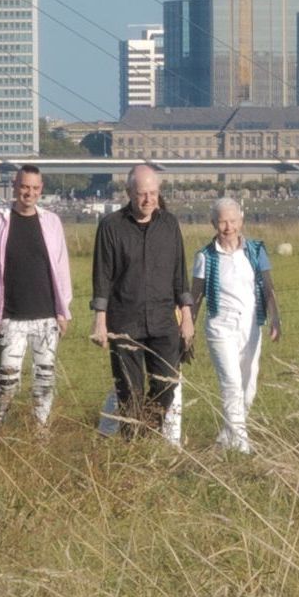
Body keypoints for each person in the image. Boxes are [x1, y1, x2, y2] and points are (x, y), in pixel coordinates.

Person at [89, 163, 192, 445]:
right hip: (125, 322)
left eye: (153, 193)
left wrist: (187, 314)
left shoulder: (169, 224)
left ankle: (145, 435)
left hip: (163, 322)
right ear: (129, 193)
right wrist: (100, 320)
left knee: (166, 386)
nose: (148, 200)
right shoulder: (111, 227)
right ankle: (132, 445)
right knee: (129, 391)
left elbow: (179, 273)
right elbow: (102, 276)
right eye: (141, 194)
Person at [0, 165, 71, 427]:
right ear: (15, 187)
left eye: (35, 188)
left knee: (45, 380)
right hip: (10, 316)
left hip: (46, 315)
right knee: (7, 380)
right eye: (24, 187)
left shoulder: (51, 222)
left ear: (41, 190)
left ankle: (40, 432)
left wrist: (63, 311)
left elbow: (61, 267)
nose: (29, 193)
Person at [193, 193, 280, 454]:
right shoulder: (205, 257)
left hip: (251, 324)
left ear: (241, 220)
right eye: (222, 222)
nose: (228, 228)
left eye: (233, 221)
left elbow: (267, 287)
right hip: (221, 326)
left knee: (248, 384)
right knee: (231, 382)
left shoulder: (255, 250)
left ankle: (226, 437)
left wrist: (276, 318)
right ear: (213, 223)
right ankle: (242, 444)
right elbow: (195, 295)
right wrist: (187, 328)